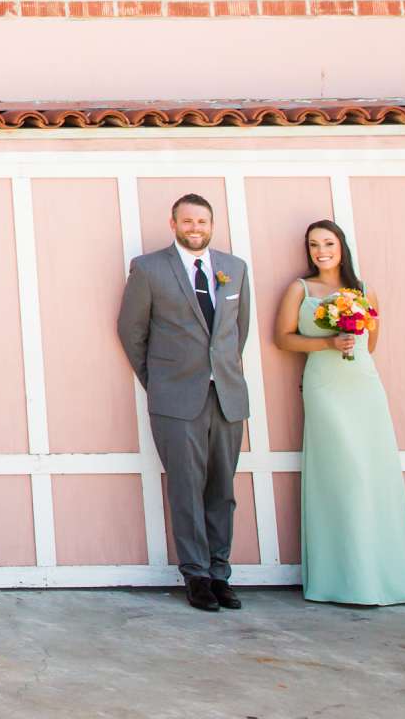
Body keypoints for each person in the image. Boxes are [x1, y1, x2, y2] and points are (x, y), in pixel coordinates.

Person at [275, 219, 405, 606]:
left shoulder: (363, 289)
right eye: (313, 245)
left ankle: (382, 577)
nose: (321, 251)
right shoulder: (300, 288)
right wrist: (326, 343)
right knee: (341, 473)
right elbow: (282, 337)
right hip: (324, 386)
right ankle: (339, 579)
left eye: (328, 243)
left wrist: (354, 332)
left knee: (371, 473)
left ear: (341, 246)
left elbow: (370, 342)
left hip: (362, 384)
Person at [117, 192, 252, 611]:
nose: (196, 228)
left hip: (226, 395)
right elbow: (131, 332)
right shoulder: (150, 268)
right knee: (186, 487)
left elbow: (238, 332)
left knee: (221, 488)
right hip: (175, 397)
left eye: (203, 222)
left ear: (212, 225)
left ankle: (219, 571)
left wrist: (220, 371)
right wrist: (157, 381)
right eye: (188, 222)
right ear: (173, 224)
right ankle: (195, 576)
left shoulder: (234, 269)